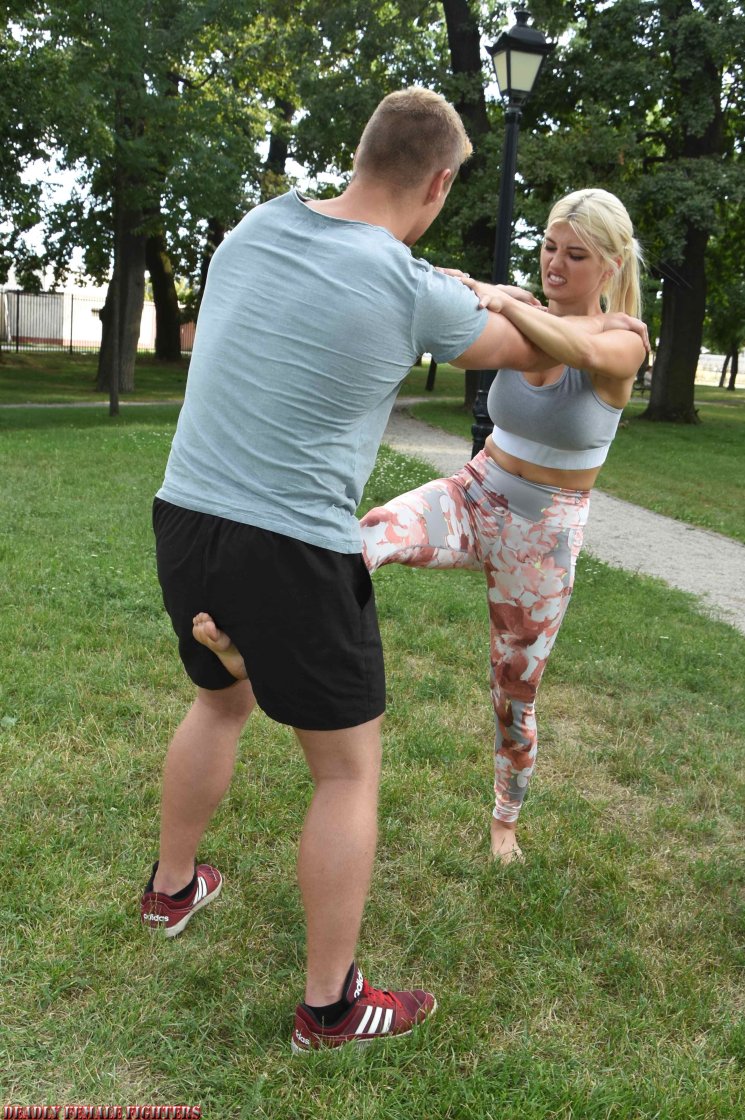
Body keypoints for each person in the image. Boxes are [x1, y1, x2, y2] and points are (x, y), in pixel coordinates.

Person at [141, 86, 581, 1054]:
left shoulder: (258, 227)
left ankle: (170, 891)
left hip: (186, 515)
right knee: (346, 771)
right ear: (439, 181)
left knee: (219, 701)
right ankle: (332, 1007)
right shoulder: (406, 285)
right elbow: (540, 361)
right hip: (293, 545)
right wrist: (502, 295)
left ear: (360, 155)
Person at [359, 188, 647, 864]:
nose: (556, 263)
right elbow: (487, 307)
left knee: (513, 691)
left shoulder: (624, 339)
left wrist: (501, 297)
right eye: (549, 247)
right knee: (372, 530)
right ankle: (270, 634)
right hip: (475, 491)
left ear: (608, 267)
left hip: (542, 534)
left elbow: (570, 341)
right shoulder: (523, 307)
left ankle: (504, 823)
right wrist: (460, 288)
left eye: (575, 254)